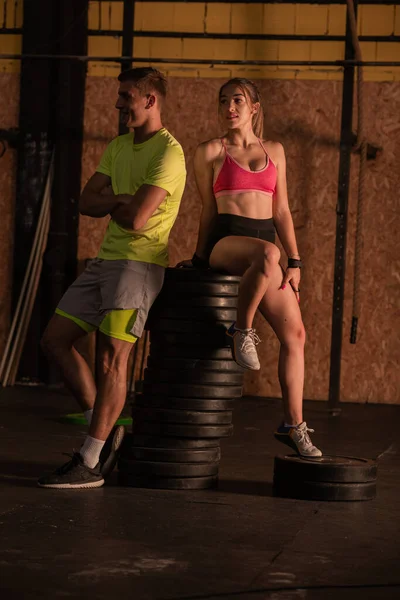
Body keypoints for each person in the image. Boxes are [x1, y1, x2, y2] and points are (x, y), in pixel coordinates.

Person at [38, 67, 186, 488]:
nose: (119, 104)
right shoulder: (119, 146)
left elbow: (138, 219)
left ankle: (89, 460)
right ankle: (101, 432)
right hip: (105, 260)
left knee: (111, 359)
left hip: (138, 265)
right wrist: (119, 200)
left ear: (150, 101)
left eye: (126, 96)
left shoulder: (168, 154)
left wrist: (115, 201)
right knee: (54, 339)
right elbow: (85, 201)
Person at [180, 78, 321, 458]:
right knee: (266, 254)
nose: (229, 107)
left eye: (237, 101)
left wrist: (295, 261)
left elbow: (282, 211)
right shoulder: (209, 151)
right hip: (226, 243)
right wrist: (198, 259)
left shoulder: (274, 150)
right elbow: (208, 211)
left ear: (254, 107)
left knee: (297, 336)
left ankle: (293, 425)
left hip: (268, 253)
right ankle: (240, 330)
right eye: (223, 101)